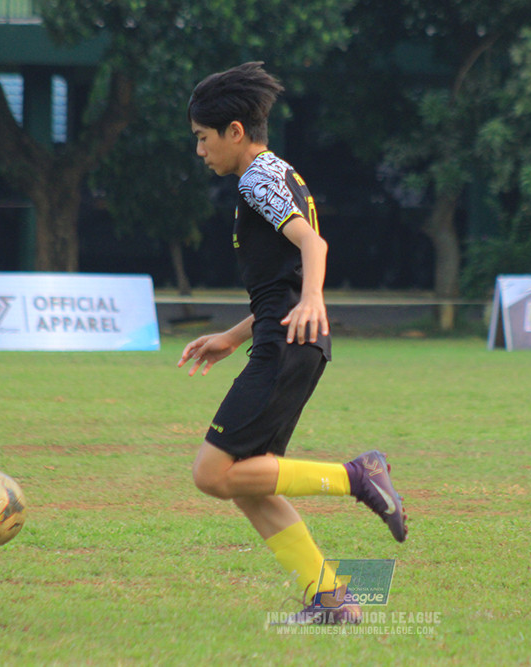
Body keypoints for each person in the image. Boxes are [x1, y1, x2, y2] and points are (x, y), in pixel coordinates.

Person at [177, 62, 408, 625]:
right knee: (249, 482)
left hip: (287, 341)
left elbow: (312, 246)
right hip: (287, 337)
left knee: (212, 474)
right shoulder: (280, 173)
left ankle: (358, 476)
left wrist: (311, 299)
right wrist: (235, 335)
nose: (200, 151)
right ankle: (331, 599)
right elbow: (280, 281)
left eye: (203, 139)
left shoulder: (256, 179)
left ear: (235, 131)